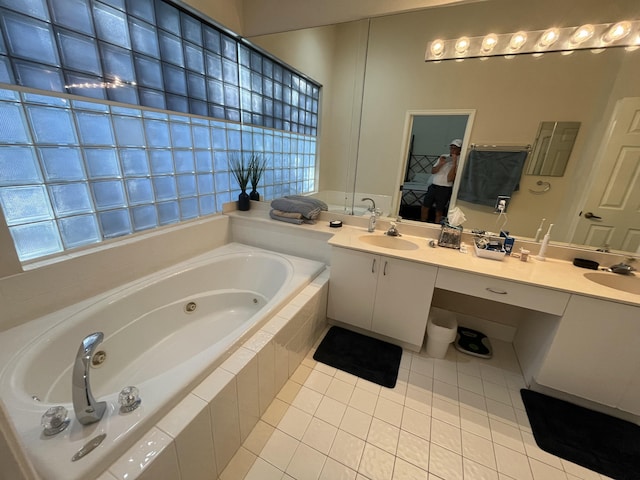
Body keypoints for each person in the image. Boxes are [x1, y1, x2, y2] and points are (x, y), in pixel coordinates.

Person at [420, 138, 462, 224]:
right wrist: (441, 163)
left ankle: (436, 226)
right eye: (451, 147)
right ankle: (422, 223)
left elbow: (451, 178)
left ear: (460, 150)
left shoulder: (460, 160)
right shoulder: (443, 156)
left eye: (455, 148)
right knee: (425, 207)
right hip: (434, 186)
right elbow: (433, 171)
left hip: (445, 188)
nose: (452, 150)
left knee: (439, 211)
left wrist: (454, 163)